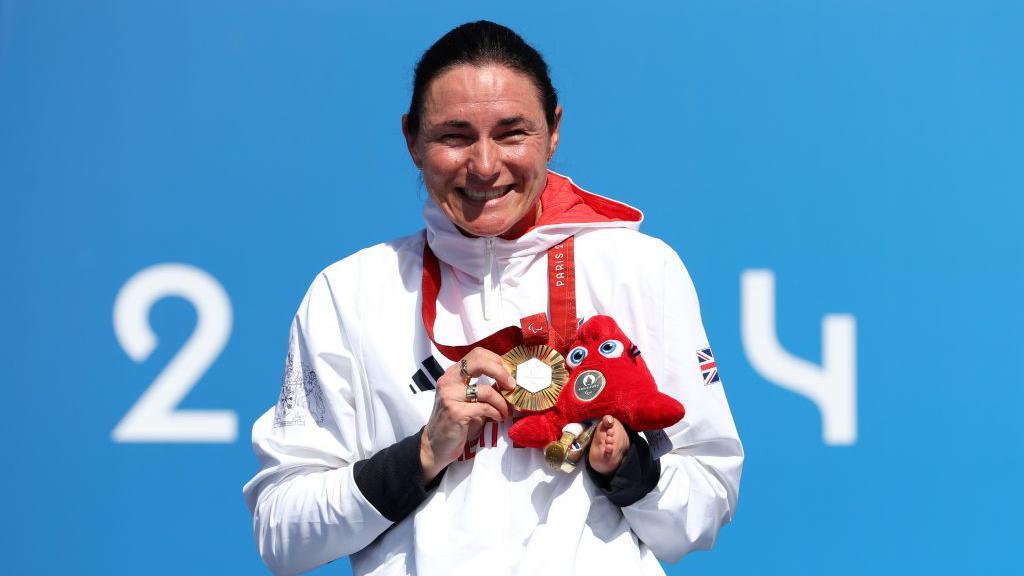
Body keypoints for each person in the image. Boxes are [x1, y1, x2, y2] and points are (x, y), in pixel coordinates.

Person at [243, 20, 743, 576]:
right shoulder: (349, 293)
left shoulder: (640, 269)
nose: (484, 165)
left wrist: (628, 465)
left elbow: (709, 495)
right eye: (454, 137)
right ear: (411, 139)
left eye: (511, 133)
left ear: (554, 130)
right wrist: (425, 452)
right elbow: (281, 530)